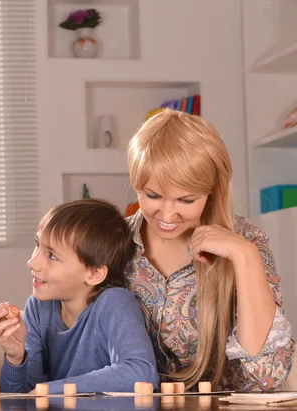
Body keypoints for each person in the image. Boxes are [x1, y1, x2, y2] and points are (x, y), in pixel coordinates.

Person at [125, 109, 295, 391]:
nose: (167, 214)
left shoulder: (247, 239)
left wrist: (244, 256)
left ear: (212, 191)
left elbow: (268, 375)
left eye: (186, 200)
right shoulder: (114, 241)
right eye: (152, 195)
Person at [0, 199, 160, 394]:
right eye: (37, 245)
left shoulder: (114, 303)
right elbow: (18, 400)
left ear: (94, 274)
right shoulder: (38, 307)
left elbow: (141, 373)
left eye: (52, 255)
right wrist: (16, 358)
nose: (32, 262)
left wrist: (51, 390)